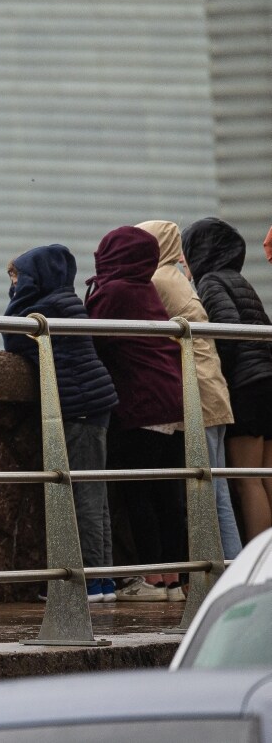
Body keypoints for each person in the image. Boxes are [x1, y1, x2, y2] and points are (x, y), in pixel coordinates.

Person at [3, 245, 120, 602]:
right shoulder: (65, 301)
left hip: (80, 405)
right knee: (94, 494)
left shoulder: (45, 309)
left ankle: (89, 583)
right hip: (95, 403)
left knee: (83, 494)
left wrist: (18, 297)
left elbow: (12, 339)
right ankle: (103, 580)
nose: (14, 284)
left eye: (17, 277)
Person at [85, 227, 188, 603]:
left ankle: (152, 579)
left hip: (142, 404)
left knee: (138, 491)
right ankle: (174, 580)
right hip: (173, 402)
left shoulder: (114, 292)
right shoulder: (144, 289)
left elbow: (90, 338)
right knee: (167, 496)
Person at [135, 220, 241, 561]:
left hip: (199, 396)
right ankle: (232, 561)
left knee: (208, 489)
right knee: (218, 486)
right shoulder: (177, 276)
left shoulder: (158, 280)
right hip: (212, 389)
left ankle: (226, 565)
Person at [183, 217, 272, 543]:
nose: (183, 260)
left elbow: (226, 331)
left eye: (186, 251)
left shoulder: (210, 282)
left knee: (247, 479)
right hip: (265, 383)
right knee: (265, 475)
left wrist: (222, 374)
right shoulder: (239, 280)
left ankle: (259, 562)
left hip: (245, 388)